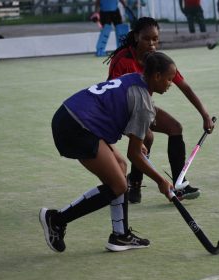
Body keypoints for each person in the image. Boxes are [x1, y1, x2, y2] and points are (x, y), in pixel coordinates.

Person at [39, 52, 176, 253]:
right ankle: (57, 219)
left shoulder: (133, 78)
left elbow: (115, 107)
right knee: (119, 184)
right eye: (169, 79)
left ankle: (120, 236)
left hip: (68, 115)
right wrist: (161, 181)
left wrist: (134, 138)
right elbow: (135, 155)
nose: (170, 84)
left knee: (120, 168)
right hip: (77, 126)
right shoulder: (145, 103)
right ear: (156, 76)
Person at [105, 17, 215, 204]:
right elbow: (112, 96)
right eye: (147, 39)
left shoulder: (158, 61)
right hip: (120, 109)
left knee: (175, 127)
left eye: (155, 39)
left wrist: (204, 115)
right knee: (147, 137)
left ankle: (179, 185)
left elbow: (185, 87)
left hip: (142, 107)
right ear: (136, 36)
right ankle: (136, 182)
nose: (152, 44)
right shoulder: (122, 59)